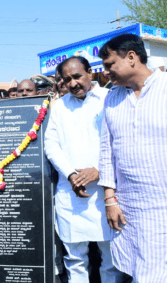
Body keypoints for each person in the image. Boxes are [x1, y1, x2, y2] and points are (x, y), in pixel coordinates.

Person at [45, 56, 123, 283]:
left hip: (105, 193)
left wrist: (100, 170)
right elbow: (51, 145)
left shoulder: (110, 98)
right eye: (66, 79)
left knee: (111, 260)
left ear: (90, 73)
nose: (72, 83)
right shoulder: (58, 107)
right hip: (70, 193)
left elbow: (122, 141)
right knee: (75, 260)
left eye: (77, 76)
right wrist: (71, 174)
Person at [98, 33, 167, 282]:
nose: (105, 72)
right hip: (130, 208)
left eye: (109, 65)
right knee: (140, 271)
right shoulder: (112, 98)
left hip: (162, 203)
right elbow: (107, 151)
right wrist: (110, 200)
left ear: (131, 57)